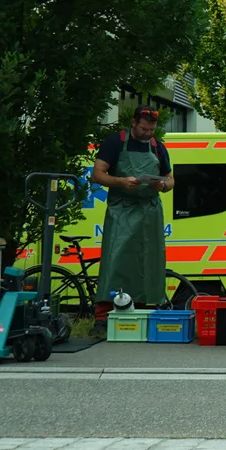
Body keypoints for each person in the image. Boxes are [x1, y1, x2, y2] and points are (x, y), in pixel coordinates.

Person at [91, 107, 174, 334]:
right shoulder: (115, 142)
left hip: (150, 211)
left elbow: (170, 178)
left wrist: (163, 185)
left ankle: (144, 313)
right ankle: (103, 316)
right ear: (133, 123)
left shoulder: (157, 147)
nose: (149, 133)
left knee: (150, 262)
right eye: (144, 128)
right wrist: (120, 181)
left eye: (152, 129)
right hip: (122, 210)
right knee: (116, 259)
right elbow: (97, 174)